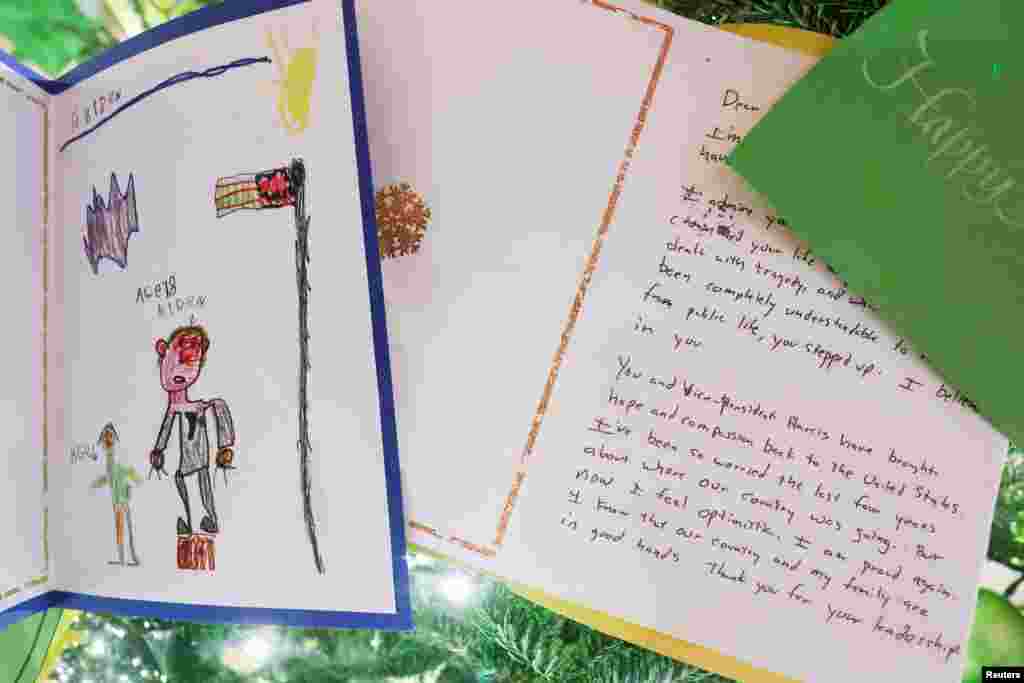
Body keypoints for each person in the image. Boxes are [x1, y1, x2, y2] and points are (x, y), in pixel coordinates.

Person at [148, 324, 236, 536]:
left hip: (198, 460)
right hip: (186, 462)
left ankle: (206, 522)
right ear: (163, 351)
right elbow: (166, 429)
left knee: (200, 485)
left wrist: (224, 446)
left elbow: (214, 409)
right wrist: (158, 450)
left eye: (190, 366)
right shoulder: (175, 408)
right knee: (185, 485)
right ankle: (193, 523)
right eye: (177, 363)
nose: (181, 373)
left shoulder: (195, 407)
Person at [91, 423, 142, 566]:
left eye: (109, 437)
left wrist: (137, 480)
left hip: (122, 496)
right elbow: (109, 476)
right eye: (105, 438)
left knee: (125, 526)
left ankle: (129, 557)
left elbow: (127, 471)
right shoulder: (110, 457)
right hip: (117, 497)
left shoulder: (118, 456)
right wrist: (97, 483)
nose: (106, 441)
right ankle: (124, 558)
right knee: (121, 526)